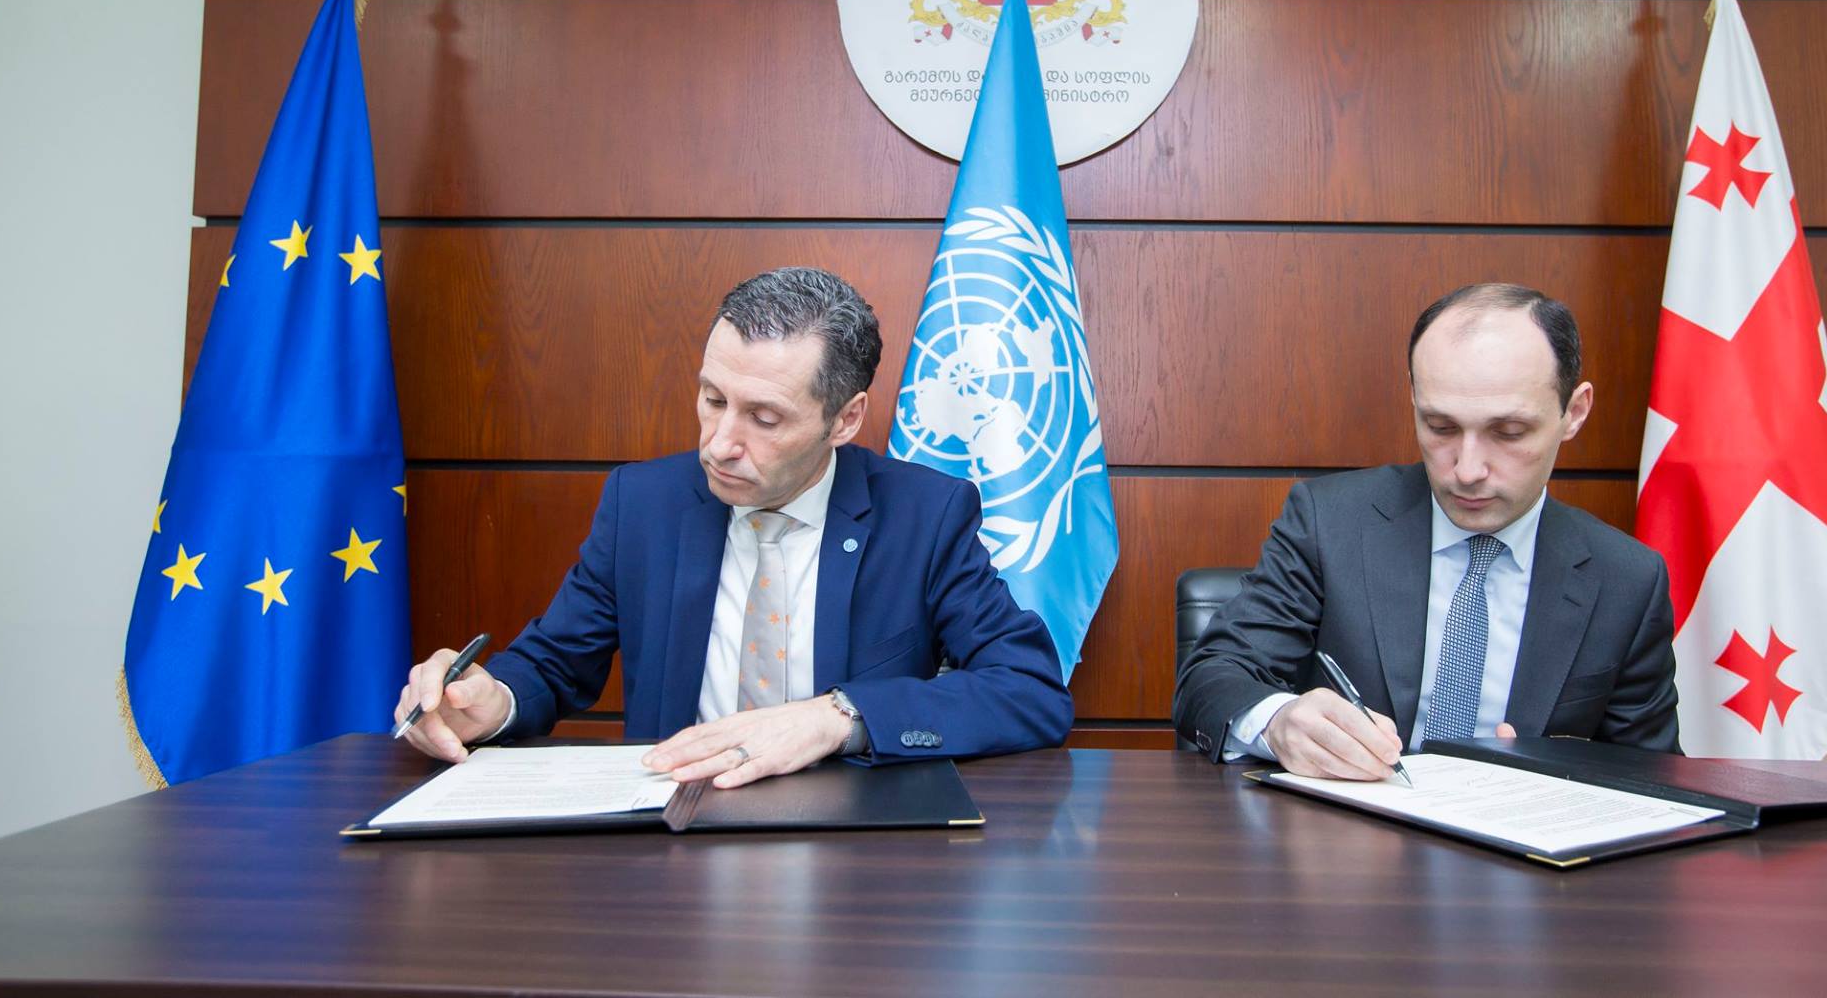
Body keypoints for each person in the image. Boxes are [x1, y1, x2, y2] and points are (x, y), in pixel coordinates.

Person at [394, 267, 1073, 787]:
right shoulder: (644, 504)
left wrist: (838, 716)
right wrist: (490, 699)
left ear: (845, 419)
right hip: (673, 832)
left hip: (856, 849)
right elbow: (551, 662)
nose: (720, 444)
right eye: (713, 398)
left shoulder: (924, 515)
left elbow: (1030, 689)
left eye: (764, 418)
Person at [1174, 283, 1680, 779]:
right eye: (1441, 427)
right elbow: (1212, 677)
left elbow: (1653, 779)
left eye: (1508, 433)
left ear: (1574, 412)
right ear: (1415, 400)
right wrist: (1279, 722)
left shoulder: (1627, 579)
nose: (1467, 470)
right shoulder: (1330, 522)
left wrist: (1560, 773)